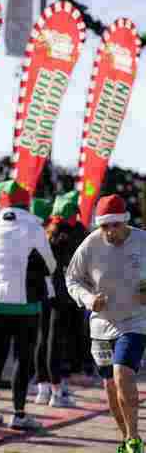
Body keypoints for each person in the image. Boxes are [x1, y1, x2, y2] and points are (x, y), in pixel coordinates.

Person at [67, 194, 146, 453]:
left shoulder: (142, 241)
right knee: (110, 388)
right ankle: (126, 439)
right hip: (101, 324)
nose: (110, 231)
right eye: (104, 226)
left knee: (123, 373)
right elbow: (72, 280)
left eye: (115, 225)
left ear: (125, 221)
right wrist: (89, 299)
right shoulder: (90, 245)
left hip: (135, 321)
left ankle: (135, 439)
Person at [0, 180, 56, 430]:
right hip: (25, 305)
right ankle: (19, 414)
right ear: (27, 202)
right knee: (23, 359)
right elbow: (51, 264)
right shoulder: (34, 228)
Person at [33, 192, 80, 408]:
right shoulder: (74, 236)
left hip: (43, 293)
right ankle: (57, 391)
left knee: (42, 340)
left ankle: (43, 388)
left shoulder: (44, 234)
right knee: (55, 342)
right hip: (62, 296)